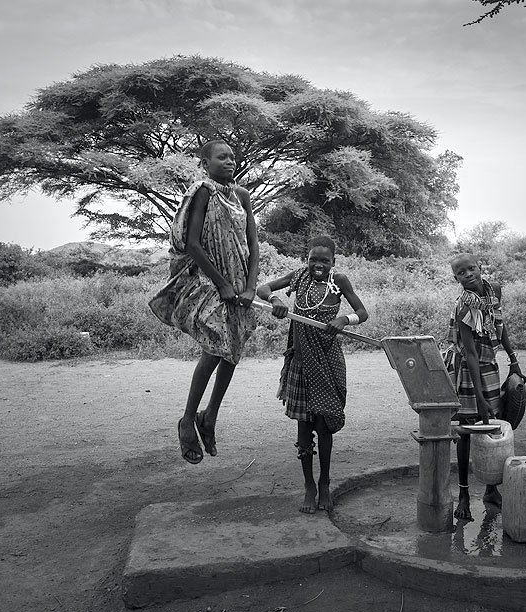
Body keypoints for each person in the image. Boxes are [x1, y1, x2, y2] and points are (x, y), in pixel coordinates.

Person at [149, 140, 259, 465]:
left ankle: (209, 417)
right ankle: (187, 420)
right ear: (205, 163)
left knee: (232, 353)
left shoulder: (242, 196)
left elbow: (253, 245)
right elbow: (193, 243)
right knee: (216, 346)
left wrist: (250, 287)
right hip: (210, 281)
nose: (230, 161)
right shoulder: (203, 192)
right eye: (222, 157)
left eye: (233, 156)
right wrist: (222, 284)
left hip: (239, 285)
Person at [256, 235, 368, 514]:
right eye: (313, 259)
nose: (318, 264)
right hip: (301, 361)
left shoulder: (339, 281)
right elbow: (262, 287)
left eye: (324, 261)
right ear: (306, 260)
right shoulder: (298, 277)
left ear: (333, 262)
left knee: (325, 424)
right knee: (304, 427)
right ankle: (309, 485)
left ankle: (325, 482)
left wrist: (344, 319)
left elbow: (362, 312)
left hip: (328, 360)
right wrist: (275, 299)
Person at [443, 253, 523, 520]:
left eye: (471, 268)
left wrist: (514, 361)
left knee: (492, 426)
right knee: (467, 430)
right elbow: (470, 353)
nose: (468, 274)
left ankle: (490, 489)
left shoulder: (494, 291)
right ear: (456, 279)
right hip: (467, 368)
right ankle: (464, 494)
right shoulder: (464, 307)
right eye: (461, 273)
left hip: (489, 364)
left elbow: (501, 328)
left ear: (479, 268)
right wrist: (479, 396)